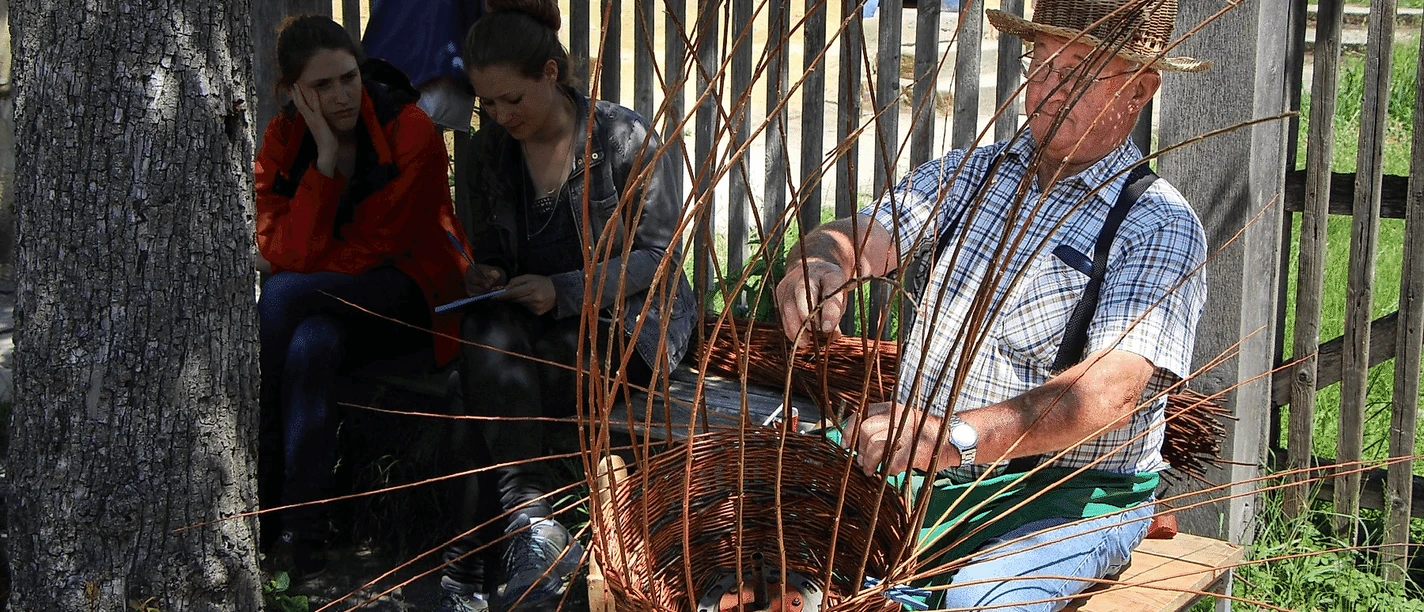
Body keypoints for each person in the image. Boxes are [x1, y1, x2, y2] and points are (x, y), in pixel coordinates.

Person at [775, 1, 1209, 609]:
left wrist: (954, 436)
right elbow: (869, 231)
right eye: (1043, 65)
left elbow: (1110, 394)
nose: (1052, 90)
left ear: (1139, 90)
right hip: (937, 471)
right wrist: (823, 260)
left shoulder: (1157, 223)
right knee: (778, 550)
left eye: (1081, 70)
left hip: (1068, 490)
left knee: (983, 598)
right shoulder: (978, 171)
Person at [436, 1, 696, 610]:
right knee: (487, 337)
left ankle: (465, 575)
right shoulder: (491, 152)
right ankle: (531, 528)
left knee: (472, 392)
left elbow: (657, 257)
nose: (501, 116)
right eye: (488, 104)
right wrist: (487, 272)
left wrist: (566, 290)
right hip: (526, 324)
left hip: (629, 327)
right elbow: (492, 248)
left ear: (551, 73)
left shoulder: (620, 137)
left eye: (513, 99)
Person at [253, 14, 472, 579]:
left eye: (347, 77)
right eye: (321, 86)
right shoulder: (283, 138)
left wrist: (302, 259)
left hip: (413, 298)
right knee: (309, 343)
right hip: (332, 307)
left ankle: (260, 490)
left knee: (280, 297)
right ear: (293, 92)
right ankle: (302, 536)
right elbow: (281, 244)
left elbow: (374, 249)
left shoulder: (410, 129)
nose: (342, 95)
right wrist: (324, 155)